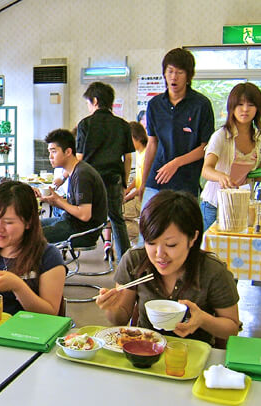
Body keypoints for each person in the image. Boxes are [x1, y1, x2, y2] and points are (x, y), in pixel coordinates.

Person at [95, 190, 240, 345]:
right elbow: (120, 318)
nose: (159, 254)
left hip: (195, 355)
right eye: (151, 242)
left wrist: (203, 320)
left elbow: (232, 327)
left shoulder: (213, 271)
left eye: (171, 245)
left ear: (193, 238)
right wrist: (111, 308)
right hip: (144, 351)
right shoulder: (134, 260)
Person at [0, 181, 66, 315]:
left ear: (28, 222)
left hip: (28, 333)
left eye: (8, 222)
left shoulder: (48, 256)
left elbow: (51, 314)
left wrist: (18, 286)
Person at [200, 82, 261, 231]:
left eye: (251, 105)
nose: (245, 109)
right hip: (215, 204)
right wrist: (221, 176)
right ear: (232, 107)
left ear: (258, 109)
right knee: (212, 250)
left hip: (242, 205)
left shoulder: (260, 139)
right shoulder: (221, 135)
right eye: (240, 104)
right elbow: (206, 170)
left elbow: (256, 175)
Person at [138, 48, 215, 207]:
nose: (174, 77)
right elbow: (152, 143)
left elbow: (205, 147)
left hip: (186, 184)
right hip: (156, 180)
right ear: (164, 74)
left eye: (179, 72)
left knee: (182, 230)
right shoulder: (155, 104)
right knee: (149, 230)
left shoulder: (201, 105)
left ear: (188, 76)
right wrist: (143, 182)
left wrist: (176, 163)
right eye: (170, 71)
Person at [76, 82, 134, 261]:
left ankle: (78, 251)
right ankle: (125, 261)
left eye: (88, 102)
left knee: (83, 216)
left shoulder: (85, 124)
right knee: (117, 220)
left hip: (90, 182)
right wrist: (124, 183)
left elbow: (79, 158)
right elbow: (128, 158)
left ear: (95, 101)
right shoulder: (123, 125)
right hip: (113, 179)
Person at [39, 129, 108, 248]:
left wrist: (59, 201)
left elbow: (84, 215)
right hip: (70, 222)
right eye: (49, 152)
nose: (50, 157)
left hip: (82, 232)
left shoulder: (82, 175)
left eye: (54, 151)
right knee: (28, 226)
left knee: (25, 235)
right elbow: (76, 207)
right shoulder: (76, 171)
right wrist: (55, 201)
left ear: (68, 152)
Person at [122, 121, 149, 240]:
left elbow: (143, 185)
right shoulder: (139, 153)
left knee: (118, 215)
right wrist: (127, 189)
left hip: (143, 197)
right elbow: (138, 178)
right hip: (137, 195)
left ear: (136, 137)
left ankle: (145, 237)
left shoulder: (147, 154)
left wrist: (127, 197)